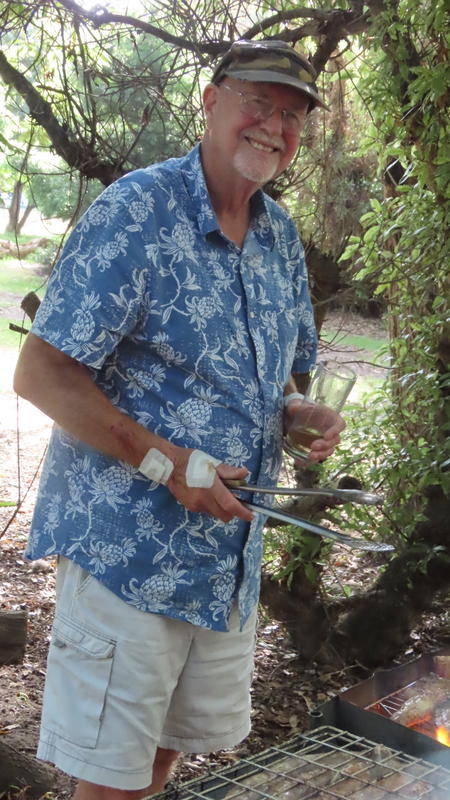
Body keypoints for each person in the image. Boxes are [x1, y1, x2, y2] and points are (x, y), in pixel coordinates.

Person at [14, 39, 345, 800]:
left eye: (292, 115)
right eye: (259, 102)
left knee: (163, 757)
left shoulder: (279, 237)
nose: (274, 126)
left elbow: (271, 380)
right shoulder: (137, 212)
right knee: (111, 780)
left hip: (223, 566)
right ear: (212, 100)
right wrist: (167, 463)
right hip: (130, 554)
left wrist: (298, 412)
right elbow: (41, 373)